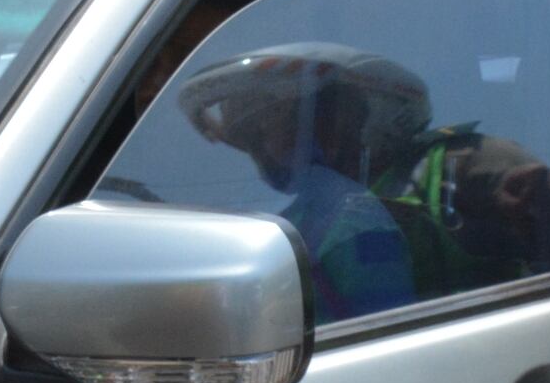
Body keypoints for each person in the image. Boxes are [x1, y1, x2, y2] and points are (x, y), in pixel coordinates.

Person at [177, 41, 428, 319]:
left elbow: (379, 329)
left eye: (268, 121)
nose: (259, 147)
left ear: (336, 121)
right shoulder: (297, 216)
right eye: (250, 136)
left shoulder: (354, 222)